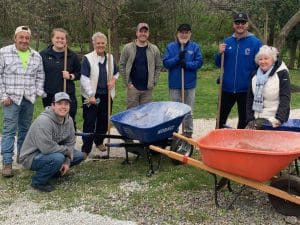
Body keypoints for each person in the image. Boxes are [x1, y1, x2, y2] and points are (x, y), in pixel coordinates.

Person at [0, 26, 45, 177]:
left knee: (25, 130)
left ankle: (23, 157)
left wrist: (37, 92)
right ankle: (7, 162)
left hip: (28, 99)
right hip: (11, 99)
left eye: (27, 38)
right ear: (15, 38)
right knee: (9, 131)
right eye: (21, 37)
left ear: (29, 39)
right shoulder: (4, 52)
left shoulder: (36, 56)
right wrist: (3, 95)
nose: (24, 40)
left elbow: (40, 76)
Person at [19, 92, 84, 192]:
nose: (63, 107)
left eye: (66, 104)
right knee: (58, 158)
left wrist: (67, 162)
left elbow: (70, 141)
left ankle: (55, 172)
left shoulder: (69, 120)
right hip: (31, 156)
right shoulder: (44, 121)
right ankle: (38, 181)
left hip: (52, 151)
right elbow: (47, 148)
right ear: (53, 105)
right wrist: (66, 152)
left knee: (79, 155)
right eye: (59, 103)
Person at [215, 12, 262, 129]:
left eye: (243, 22)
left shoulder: (255, 43)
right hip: (227, 88)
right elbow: (218, 63)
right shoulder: (227, 42)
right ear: (233, 25)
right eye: (237, 23)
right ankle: (217, 144)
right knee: (220, 119)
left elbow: (261, 66)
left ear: (247, 24)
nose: (240, 25)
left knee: (244, 121)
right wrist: (219, 53)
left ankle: (239, 145)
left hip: (245, 89)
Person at [80, 32, 119, 159]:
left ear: (106, 44)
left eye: (103, 43)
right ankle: (86, 148)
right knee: (89, 121)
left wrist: (113, 80)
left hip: (106, 95)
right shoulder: (88, 58)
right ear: (93, 44)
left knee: (104, 120)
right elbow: (84, 78)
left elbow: (116, 73)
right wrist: (90, 94)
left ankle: (99, 141)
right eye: (98, 43)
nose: (100, 45)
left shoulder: (110, 58)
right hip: (92, 96)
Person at [163, 23, 203, 138]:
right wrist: (177, 58)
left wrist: (186, 64)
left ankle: (188, 132)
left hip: (189, 85)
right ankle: (174, 132)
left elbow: (199, 63)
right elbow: (166, 63)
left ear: (190, 34)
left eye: (186, 32)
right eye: (182, 32)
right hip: (175, 85)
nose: (184, 35)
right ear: (177, 33)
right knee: (174, 111)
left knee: (188, 111)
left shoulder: (195, 47)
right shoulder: (170, 47)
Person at [39, 28, 81, 129]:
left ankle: (69, 143)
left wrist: (70, 76)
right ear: (52, 39)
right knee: (50, 121)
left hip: (67, 94)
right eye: (57, 38)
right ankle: (52, 143)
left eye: (63, 38)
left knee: (69, 120)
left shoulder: (72, 56)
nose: (60, 40)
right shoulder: (43, 54)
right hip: (49, 94)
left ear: (66, 40)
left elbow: (79, 73)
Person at [246, 45, 290, 129]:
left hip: (273, 118)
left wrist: (279, 119)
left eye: (266, 58)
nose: (263, 61)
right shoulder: (254, 75)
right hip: (256, 117)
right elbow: (250, 98)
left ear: (273, 60)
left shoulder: (282, 73)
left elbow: (285, 97)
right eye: (260, 59)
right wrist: (249, 118)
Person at [119, 22, 161, 109]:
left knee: (146, 113)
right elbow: (122, 65)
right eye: (141, 31)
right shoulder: (127, 48)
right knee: (131, 114)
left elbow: (158, 66)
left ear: (148, 34)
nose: (143, 34)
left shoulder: (154, 49)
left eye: (145, 32)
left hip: (147, 88)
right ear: (136, 33)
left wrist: (154, 81)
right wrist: (128, 82)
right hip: (133, 88)